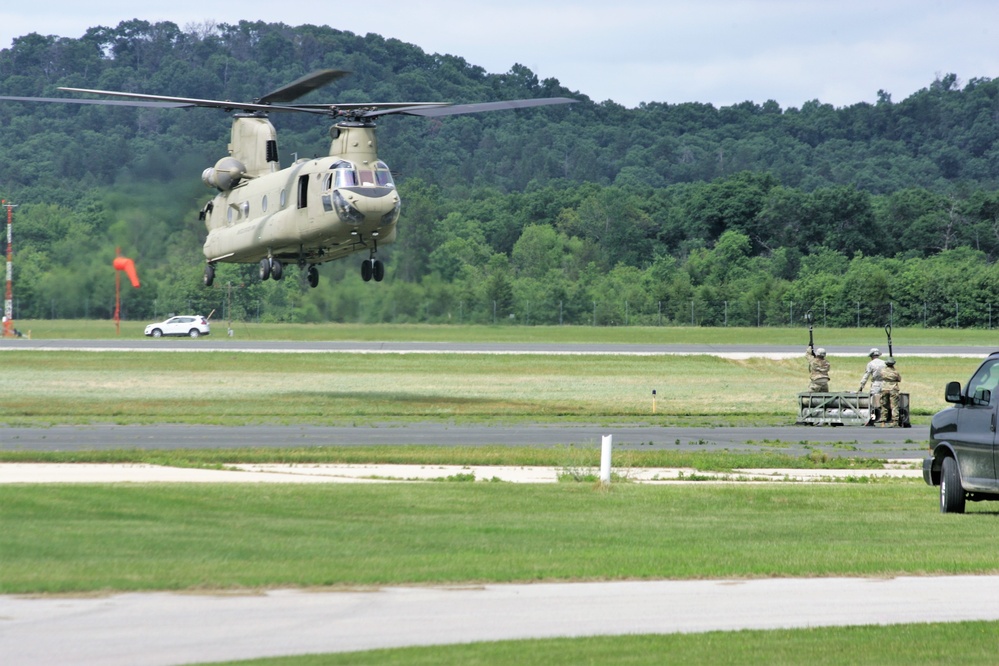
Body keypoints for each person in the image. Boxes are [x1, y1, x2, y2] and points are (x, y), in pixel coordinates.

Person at [858, 347, 886, 425]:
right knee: (884, 402)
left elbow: (866, 376)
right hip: (885, 384)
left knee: (873, 404)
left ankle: (872, 420)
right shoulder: (884, 363)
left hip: (876, 385)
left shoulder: (870, 364)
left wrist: (861, 387)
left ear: (871, 356)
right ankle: (884, 418)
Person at [879, 357, 902, 427]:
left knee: (884, 405)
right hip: (893, 389)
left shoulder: (882, 371)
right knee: (894, 406)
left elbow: (881, 376)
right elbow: (899, 379)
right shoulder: (895, 372)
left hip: (884, 388)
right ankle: (895, 421)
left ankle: (883, 421)